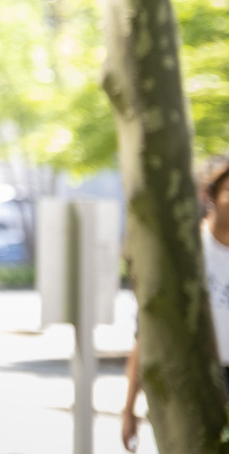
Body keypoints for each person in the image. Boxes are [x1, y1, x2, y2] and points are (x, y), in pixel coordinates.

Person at [121, 157, 229, 451]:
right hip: (193, 381)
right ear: (210, 195)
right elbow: (147, 335)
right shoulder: (185, 256)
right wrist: (129, 407)